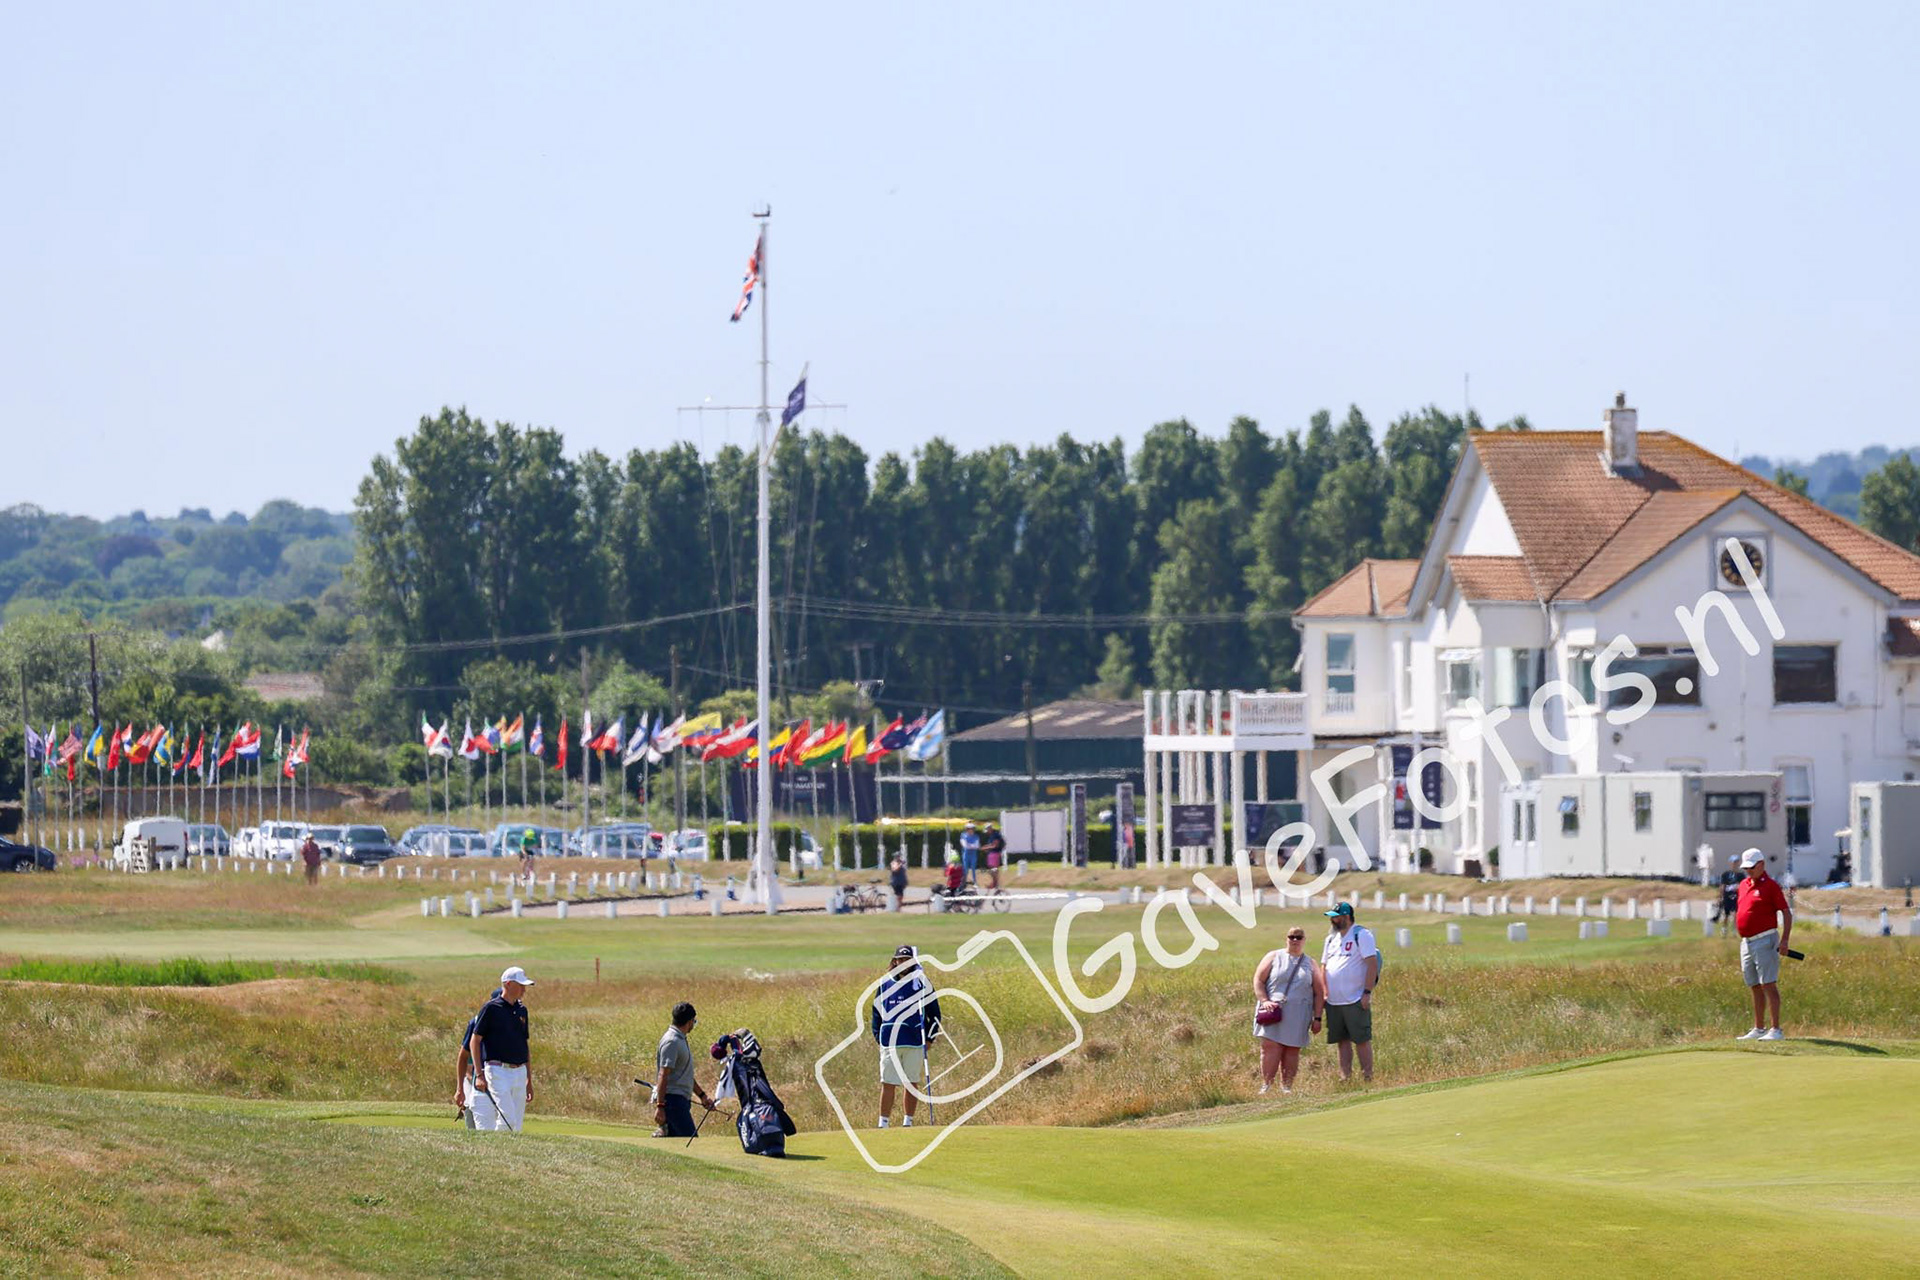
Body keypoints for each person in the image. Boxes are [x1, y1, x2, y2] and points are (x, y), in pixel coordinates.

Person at [872, 944, 941, 1128]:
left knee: (911, 1082)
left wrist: (929, 1039)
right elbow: (876, 1013)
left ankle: (908, 1122)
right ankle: (883, 1122)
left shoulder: (921, 982)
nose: (903, 963)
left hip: (914, 1041)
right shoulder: (884, 983)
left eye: (907, 960)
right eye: (900, 960)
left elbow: (934, 1014)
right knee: (888, 1083)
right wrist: (879, 1036)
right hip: (890, 1042)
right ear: (895, 961)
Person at [1253, 926, 1325, 1094]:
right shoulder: (1273, 956)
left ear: (1304, 940)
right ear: (1286, 938)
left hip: (1299, 1013)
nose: (1294, 940)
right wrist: (1264, 1000)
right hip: (1273, 1011)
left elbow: (1319, 991)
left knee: (1292, 1049)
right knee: (1270, 1047)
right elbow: (1258, 979)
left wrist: (1318, 1017)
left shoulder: (1310, 963)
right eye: (1291, 936)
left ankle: (1287, 1087)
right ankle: (1267, 1086)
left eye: (1298, 937)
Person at [467, 966, 535, 1131]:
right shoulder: (491, 1008)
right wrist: (479, 1074)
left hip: (519, 1072)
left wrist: (528, 1078)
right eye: (521, 985)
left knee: (516, 1125)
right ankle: (496, 1150)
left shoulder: (522, 1010)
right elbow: (474, 1041)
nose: (524, 990)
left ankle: (506, 1153)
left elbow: (524, 1045)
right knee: (508, 1118)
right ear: (509, 984)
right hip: (497, 1070)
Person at [1734, 849, 1792, 1041]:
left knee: (1768, 983)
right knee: (1754, 985)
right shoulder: (1743, 885)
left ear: (1761, 865)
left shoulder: (1771, 886)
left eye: (1752, 868)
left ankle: (1776, 1030)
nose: (1748, 871)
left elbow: (1786, 913)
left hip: (1766, 939)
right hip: (1747, 942)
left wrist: (1784, 940)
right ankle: (1759, 1028)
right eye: (1746, 868)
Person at [1320, 902, 1379, 1082]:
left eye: (1336, 917)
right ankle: (1345, 1077)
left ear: (1346, 917)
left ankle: (1367, 1075)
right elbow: (1324, 966)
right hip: (1334, 1000)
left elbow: (1371, 964)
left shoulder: (1361, 935)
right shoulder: (1330, 939)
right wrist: (1324, 992)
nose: (1333, 920)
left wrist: (1367, 992)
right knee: (1341, 1040)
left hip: (1355, 998)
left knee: (1361, 1039)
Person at [653, 1002, 716, 1137]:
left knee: (675, 1142)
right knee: (690, 1140)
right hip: (672, 1102)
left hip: (679, 1101)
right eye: (694, 1021)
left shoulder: (680, 1040)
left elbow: (684, 1075)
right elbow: (663, 1075)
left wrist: (702, 1096)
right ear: (689, 1022)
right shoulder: (672, 1041)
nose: (694, 1024)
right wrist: (660, 1106)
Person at [454, 986, 503, 1127]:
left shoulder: (511, 1023)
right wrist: (462, 1087)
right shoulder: (476, 1023)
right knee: (471, 1113)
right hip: (475, 1081)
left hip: (497, 1081)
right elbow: (464, 1058)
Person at [1717, 854, 1742, 936]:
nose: (1735, 864)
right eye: (1734, 862)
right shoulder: (1726, 874)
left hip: (1736, 896)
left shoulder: (1741, 875)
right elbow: (1722, 885)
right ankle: (1724, 928)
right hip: (1727, 896)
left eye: (1737, 862)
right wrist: (1720, 897)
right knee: (1726, 913)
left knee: (1736, 913)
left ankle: (1734, 929)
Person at [983, 823, 1006, 890]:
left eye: (987, 830)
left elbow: (995, 845)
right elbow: (992, 844)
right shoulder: (992, 835)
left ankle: (995, 883)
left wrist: (986, 848)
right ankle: (994, 883)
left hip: (995, 854)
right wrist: (986, 847)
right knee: (992, 869)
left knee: (994, 869)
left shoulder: (995, 835)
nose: (987, 832)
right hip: (992, 853)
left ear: (989, 828)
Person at [959, 821, 981, 886]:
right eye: (969, 829)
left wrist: (970, 845)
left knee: (973, 868)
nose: (971, 830)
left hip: (973, 854)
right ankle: (963, 882)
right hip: (966, 854)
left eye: (972, 829)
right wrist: (972, 846)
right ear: (966, 829)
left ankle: (974, 882)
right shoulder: (963, 835)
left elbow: (977, 846)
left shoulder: (976, 836)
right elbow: (964, 845)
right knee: (965, 868)